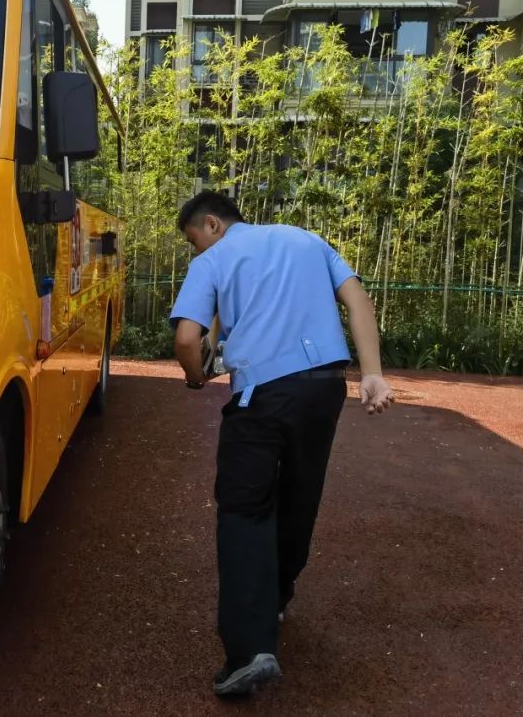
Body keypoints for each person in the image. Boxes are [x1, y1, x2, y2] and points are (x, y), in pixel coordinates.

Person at [170, 190, 395, 699]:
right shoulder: (306, 239)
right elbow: (358, 299)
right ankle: (275, 596)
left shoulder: (215, 259)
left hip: (261, 397)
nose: (195, 252)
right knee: (299, 494)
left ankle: (249, 650)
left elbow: (188, 339)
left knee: (244, 509)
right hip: (322, 389)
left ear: (212, 224)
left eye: (193, 241)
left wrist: (193, 378)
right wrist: (374, 375)